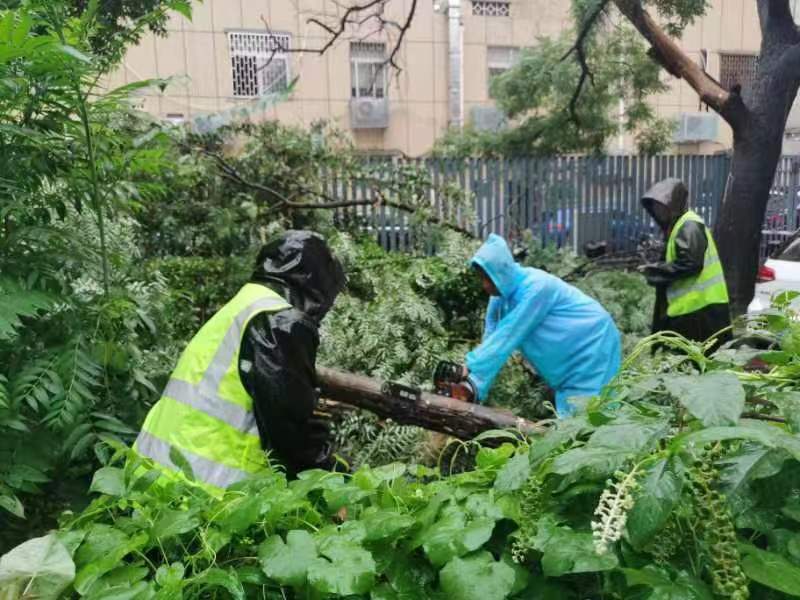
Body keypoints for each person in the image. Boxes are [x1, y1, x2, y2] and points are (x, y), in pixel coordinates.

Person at [134, 230, 345, 492]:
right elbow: (291, 427)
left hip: (152, 478)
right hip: (206, 493)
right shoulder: (279, 320)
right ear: (316, 287)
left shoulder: (245, 305)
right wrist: (336, 482)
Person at [456, 234, 622, 418]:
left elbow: (508, 335)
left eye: (488, 278)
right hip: (565, 365)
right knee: (572, 415)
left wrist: (469, 365)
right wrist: (473, 385)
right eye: (481, 279)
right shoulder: (499, 299)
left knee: (589, 415)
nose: (485, 286)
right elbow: (491, 340)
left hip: (593, 341)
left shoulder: (536, 287)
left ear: (501, 271)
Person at [639, 179, 731, 347]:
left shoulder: (689, 226)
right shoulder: (680, 226)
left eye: (662, 207)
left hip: (701, 312)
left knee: (697, 366)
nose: (658, 212)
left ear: (673, 204)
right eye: (656, 208)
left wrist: (655, 271)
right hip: (694, 311)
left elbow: (690, 263)